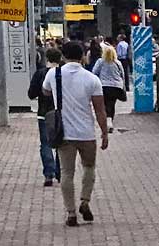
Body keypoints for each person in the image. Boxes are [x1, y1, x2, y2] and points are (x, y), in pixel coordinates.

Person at [51, 39, 110, 228]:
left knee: (66, 173)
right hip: (86, 133)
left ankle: (71, 213)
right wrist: (104, 133)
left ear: (63, 56)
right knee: (89, 168)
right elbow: (100, 110)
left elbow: (44, 91)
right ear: (83, 56)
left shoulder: (54, 74)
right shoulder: (92, 79)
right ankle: (85, 201)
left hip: (64, 134)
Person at [30, 45, 61, 187]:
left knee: (46, 143)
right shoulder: (63, 73)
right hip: (61, 113)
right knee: (62, 143)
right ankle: (60, 172)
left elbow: (31, 94)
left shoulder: (40, 74)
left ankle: (49, 174)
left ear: (47, 58)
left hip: (43, 113)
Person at [91, 41, 127, 134]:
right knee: (111, 104)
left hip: (104, 86)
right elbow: (122, 75)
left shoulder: (100, 61)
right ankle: (110, 122)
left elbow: (94, 72)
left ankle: (107, 124)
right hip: (116, 87)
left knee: (104, 105)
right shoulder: (118, 63)